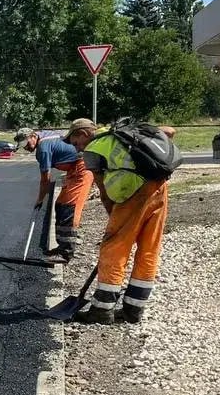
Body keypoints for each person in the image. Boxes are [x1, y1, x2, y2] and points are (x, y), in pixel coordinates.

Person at [73, 124, 177, 325]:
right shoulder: (123, 135)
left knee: (114, 248)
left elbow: (103, 190)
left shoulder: (94, 150)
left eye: (76, 142)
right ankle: (133, 310)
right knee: (149, 249)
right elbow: (170, 131)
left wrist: (114, 218)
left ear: (84, 134)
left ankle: (102, 310)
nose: (77, 148)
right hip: (160, 189)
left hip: (133, 193)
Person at [14, 120, 97, 264]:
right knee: (60, 205)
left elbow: (45, 179)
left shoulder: (43, 149)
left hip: (81, 168)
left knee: (69, 209)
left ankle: (66, 253)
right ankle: (61, 247)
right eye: (24, 147)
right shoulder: (45, 136)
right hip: (74, 169)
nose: (27, 148)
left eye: (27, 144)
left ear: (33, 136)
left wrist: (40, 200)